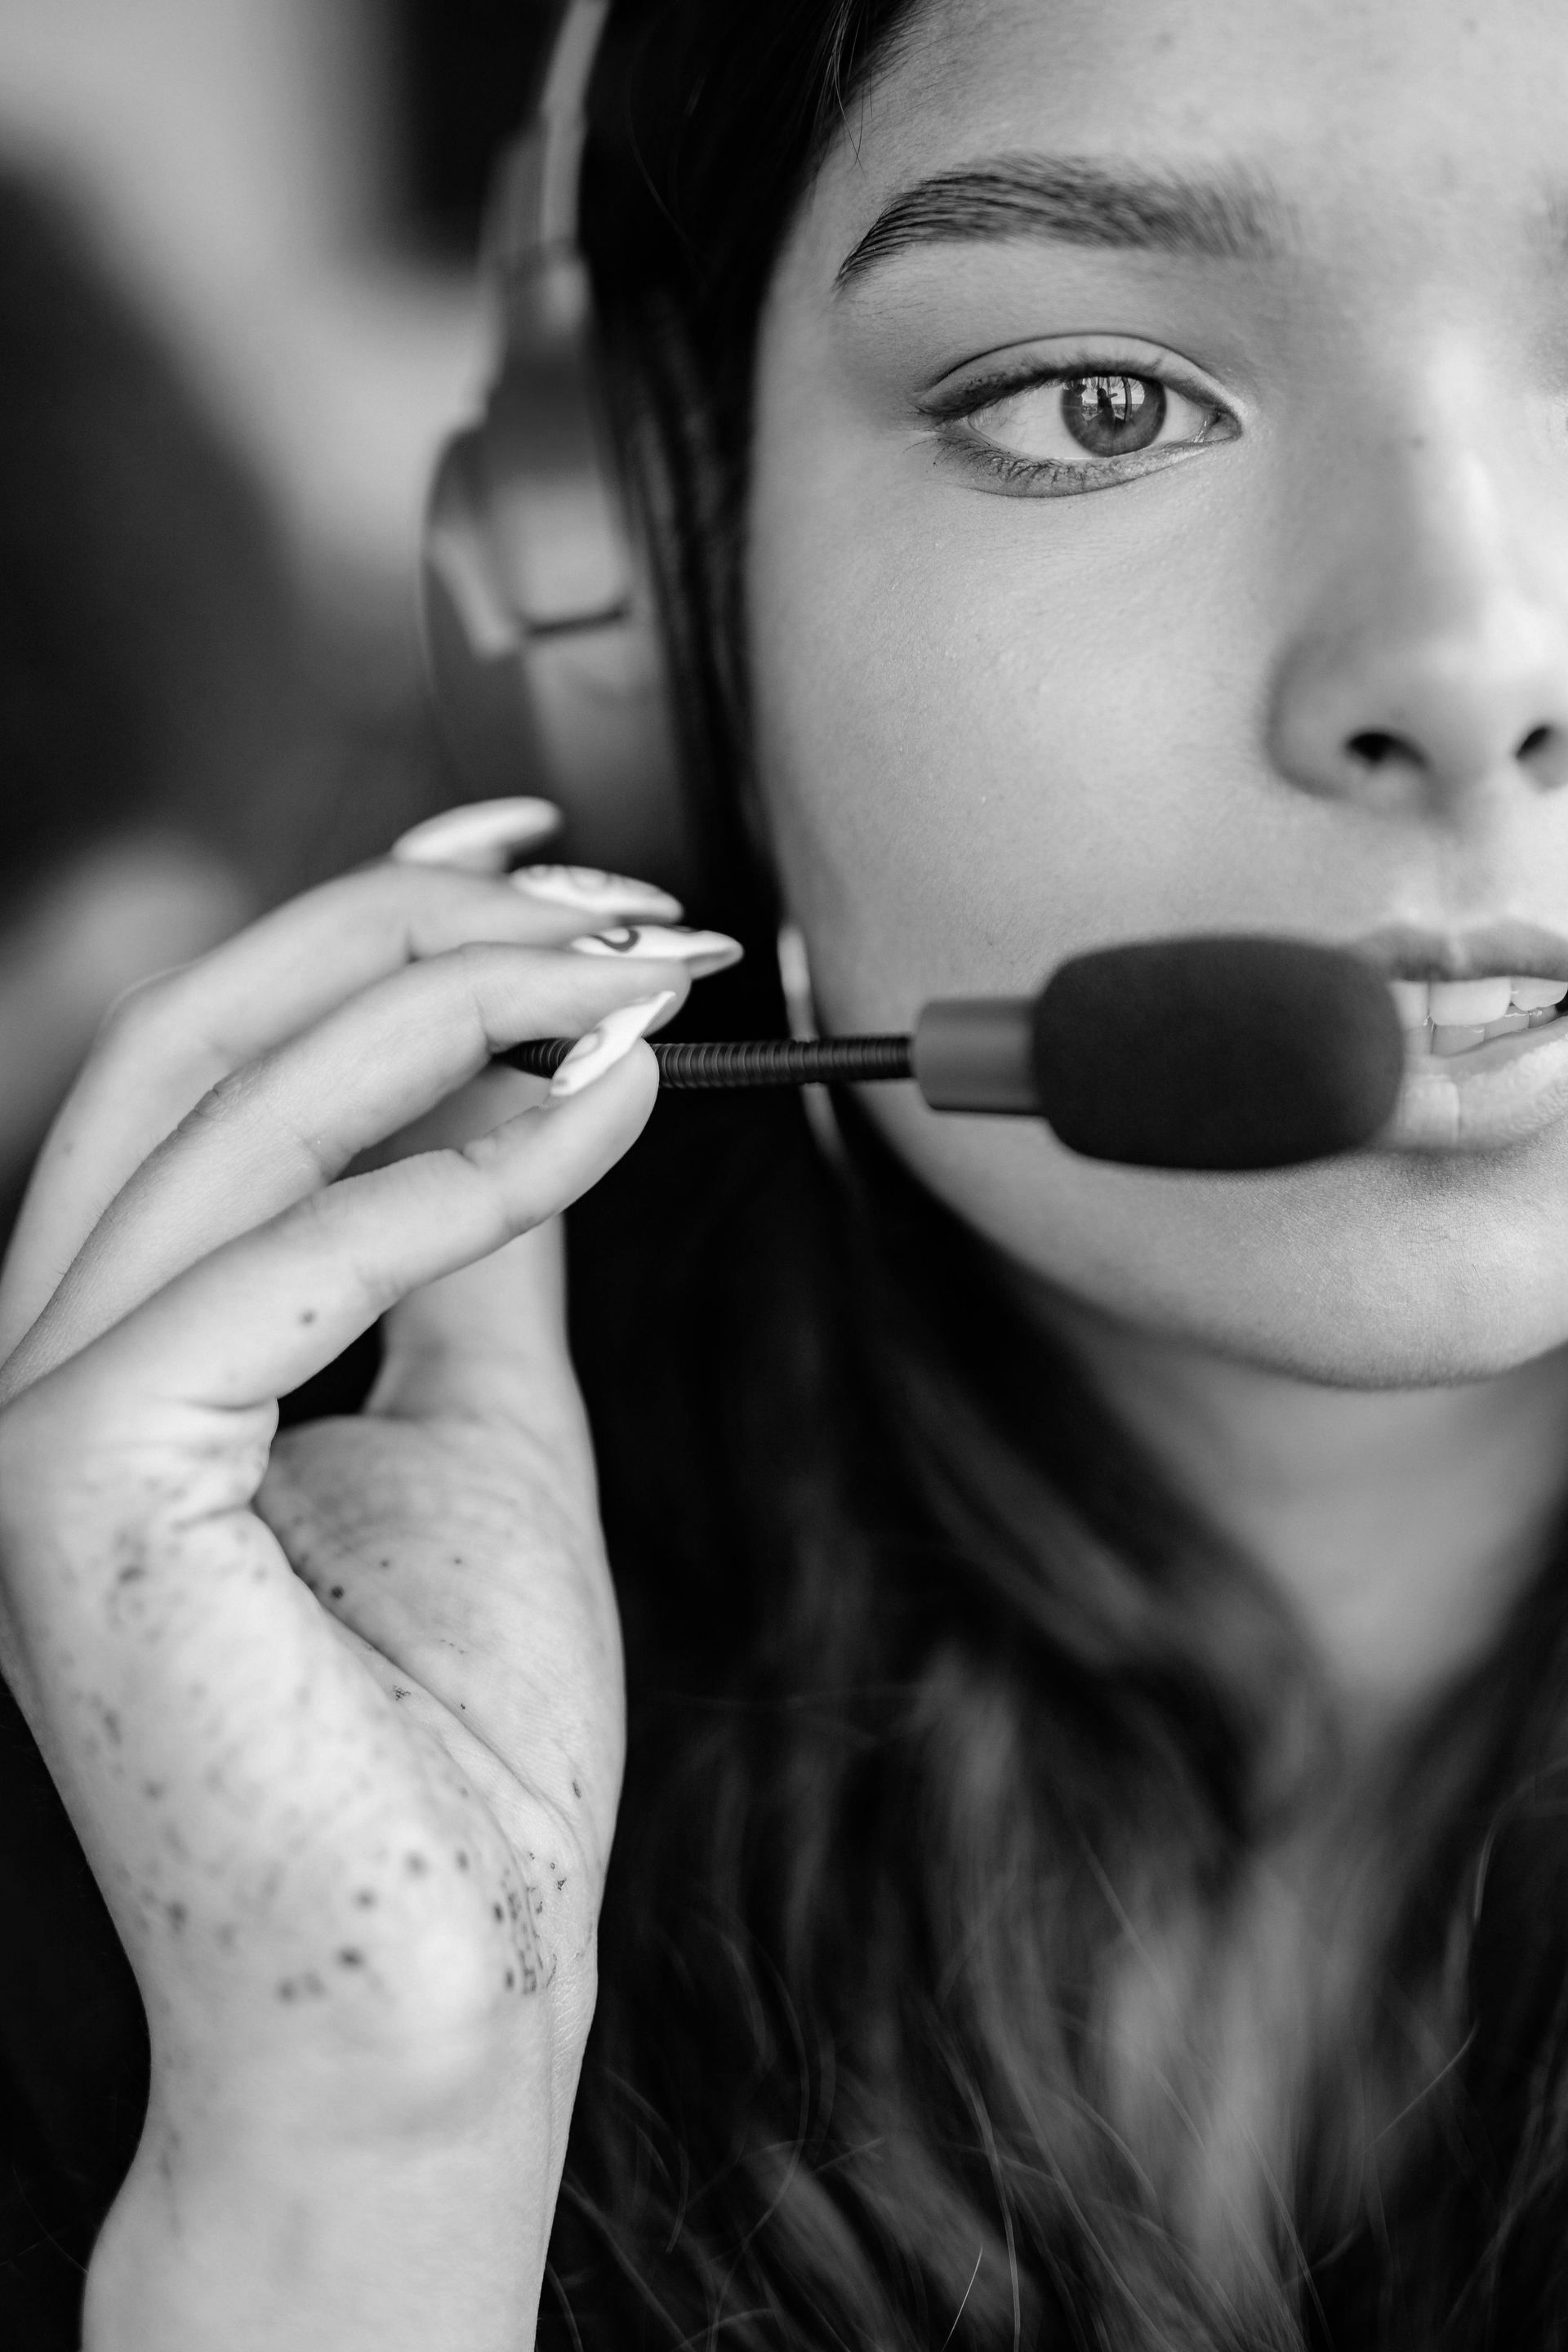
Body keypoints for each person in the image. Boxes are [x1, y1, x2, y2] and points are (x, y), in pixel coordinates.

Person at [5, 0, 1568, 2343]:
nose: (1465, 658)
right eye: (1098, 400)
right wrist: (351, 2161)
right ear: (644, 613)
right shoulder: (186, 1740)